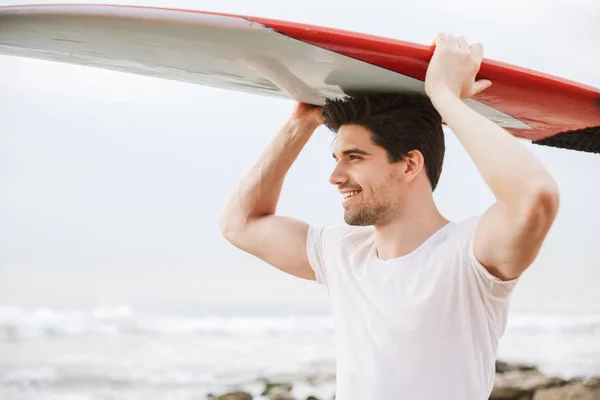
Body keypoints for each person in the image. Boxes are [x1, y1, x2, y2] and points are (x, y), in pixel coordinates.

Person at [219, 33, 560, 400]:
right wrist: (300, 123)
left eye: (354, 157)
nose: (335, 177)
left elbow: (534, 196)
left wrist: (444, 97)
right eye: (337, 159)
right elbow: (241, 224)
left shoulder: (470, 256)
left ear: (410, 163)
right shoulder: (343, 253)